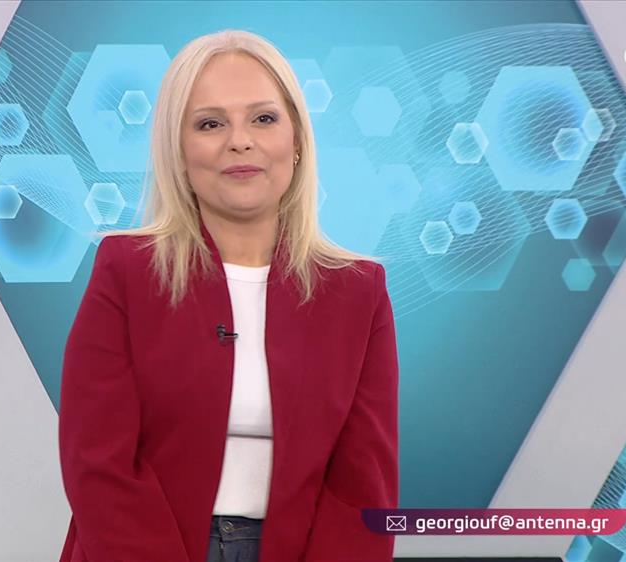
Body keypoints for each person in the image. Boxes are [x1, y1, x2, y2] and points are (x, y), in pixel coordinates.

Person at [58, 29, 399, 562]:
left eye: (263, 118)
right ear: (178, 149)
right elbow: (97, 460)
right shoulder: (125, 270)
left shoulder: (359, 289)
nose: (240, 141)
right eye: (210, 124)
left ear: (297, 140)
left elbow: (363, 484)